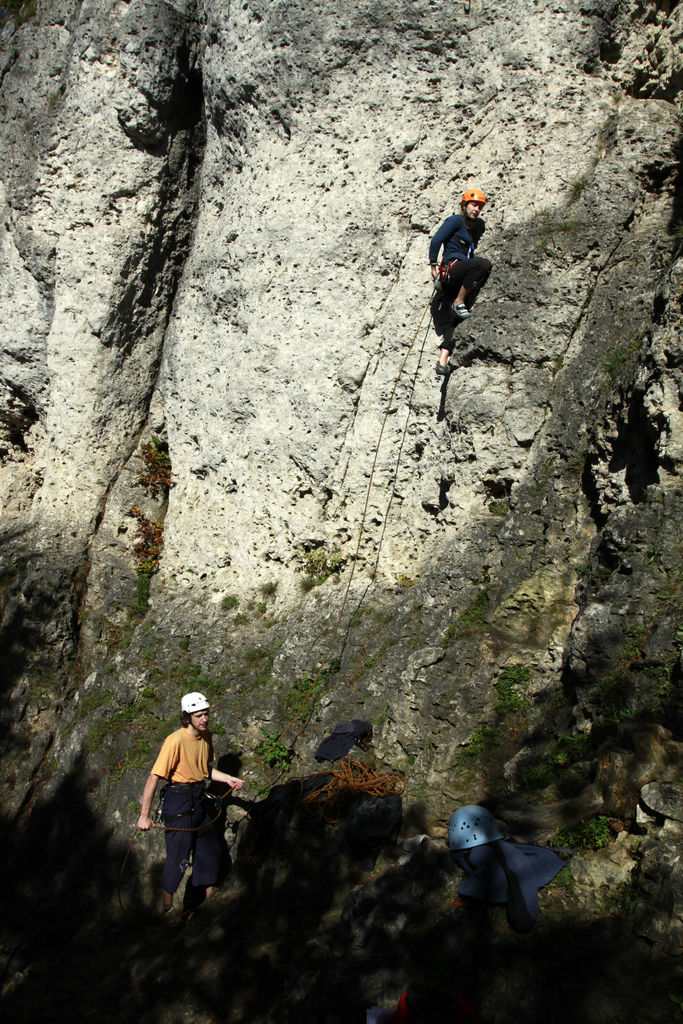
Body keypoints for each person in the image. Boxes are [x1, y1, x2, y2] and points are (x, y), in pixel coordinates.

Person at [137, 691, 245, 920]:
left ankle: (209, 901)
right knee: (179, 855)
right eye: (199, 715)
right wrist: (144, 815)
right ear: (187, 717)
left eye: (206, 714)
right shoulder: (175, 740)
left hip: (198, 796)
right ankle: (168, 909)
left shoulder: (206, 737)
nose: (204, 719)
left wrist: (227, 778)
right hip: (178, 799)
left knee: (209, 848)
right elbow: (154, 777)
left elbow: (203, 769)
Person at [428, 188, 492, 377]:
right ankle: (458, 301)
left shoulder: (472, 232)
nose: (476, 209)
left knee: (455, 320)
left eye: (479, 207)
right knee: (483, 263)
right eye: (473, 205)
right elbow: (436, 240)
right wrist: (433, 265)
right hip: (451, 269)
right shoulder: (455, 220)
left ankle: (442, 360)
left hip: (458, 277)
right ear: (464, 205)